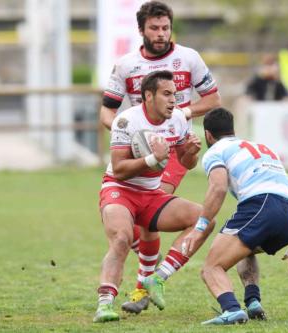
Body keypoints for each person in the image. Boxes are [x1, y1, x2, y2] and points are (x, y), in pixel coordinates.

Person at [99, 1, 221, 313]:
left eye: (165, 27)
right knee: (143, 223)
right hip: (143, 150)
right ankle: (145, 283)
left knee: (150, 212)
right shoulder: (126, 65)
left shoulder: (189, 58)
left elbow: (213, 99)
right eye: (154, 28)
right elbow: (107, 110)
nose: (161, 33)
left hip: (175, 150)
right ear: (141, 30)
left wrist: (181, 112)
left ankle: (146, 285)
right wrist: (130, 136)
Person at [93, 71, 215, 323]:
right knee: (122, 238)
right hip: (119, 189)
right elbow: (119, 169)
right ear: (149, 96)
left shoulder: (179, 119)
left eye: (176, 94)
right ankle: (105, 304)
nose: (174, 100)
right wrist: (153, 158)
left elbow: (186, 162)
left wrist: (191, 153)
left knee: (204, 220)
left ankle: (157, 277)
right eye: (167, 94)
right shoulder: (127, 120)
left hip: (151, 193)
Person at [181, 108, 288, 325]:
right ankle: (252, 302)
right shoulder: (264, 149)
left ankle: (231, 309)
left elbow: (218, 188)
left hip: (261, 206)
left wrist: (200, 227)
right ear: (233, 130)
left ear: (208, 135)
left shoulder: (215, 151)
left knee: (212, 267)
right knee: (246, 249)